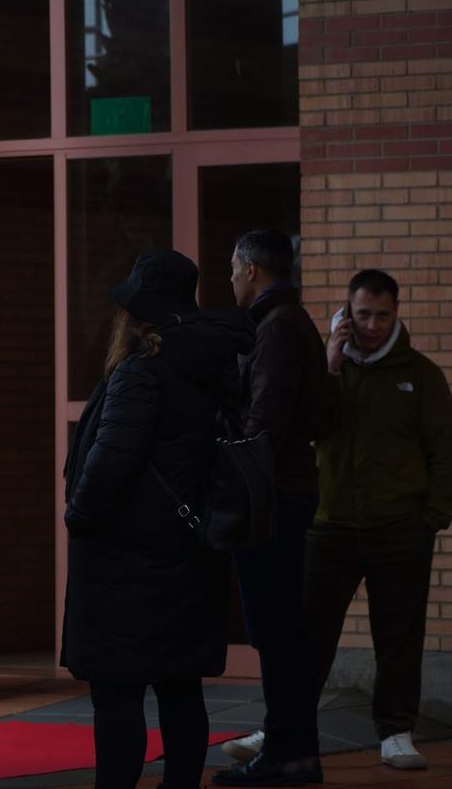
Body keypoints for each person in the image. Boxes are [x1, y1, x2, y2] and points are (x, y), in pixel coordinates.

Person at [61, 249, 254, 789]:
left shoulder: (141, 374)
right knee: (180, 685)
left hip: (126, 561)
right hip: (190, 551)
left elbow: (109, 463)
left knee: (118, 693)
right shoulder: (215, 366)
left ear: (136, 314)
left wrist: (78, 515)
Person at [306, 269, 452, 771]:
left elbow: (443, 452)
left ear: (396, 313)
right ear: (346, 314)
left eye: (381, 315)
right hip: (330, 526)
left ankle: (395, 732)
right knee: (309, 632)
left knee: (398, 635)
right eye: (362, 314)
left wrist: (430, 517)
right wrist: (328, 365)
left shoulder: (422, 375)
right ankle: (288, 725)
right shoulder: (326, 369)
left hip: (399, 528)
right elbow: (306, 428)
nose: (371, 325)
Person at [212, 231, 328, 785]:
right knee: (283, 632)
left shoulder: (277, 327)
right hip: (286, 493)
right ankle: (294, 751)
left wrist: (236, 480)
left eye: (234, 268)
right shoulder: (292, 321)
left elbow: (265, 421)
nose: (230, 278)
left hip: (273, 499)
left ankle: (287, 753)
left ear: (253, 268)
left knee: (277, 633)